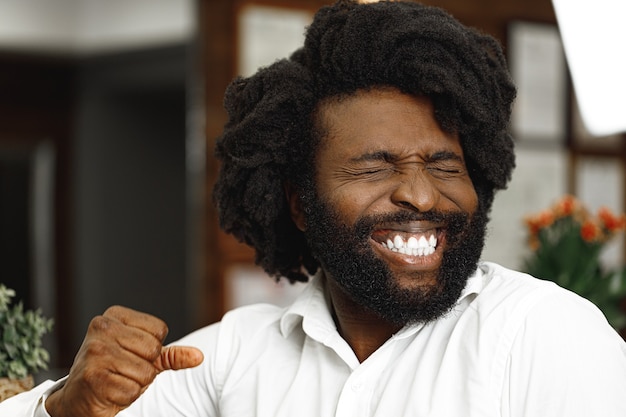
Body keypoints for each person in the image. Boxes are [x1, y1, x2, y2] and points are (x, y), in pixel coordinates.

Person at [3, 1, 626, 416]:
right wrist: (62, 406)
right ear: (298, 203)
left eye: (444, 165)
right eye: (375, 167)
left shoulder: (545, 337)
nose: (420, 193)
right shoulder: (229, 359)